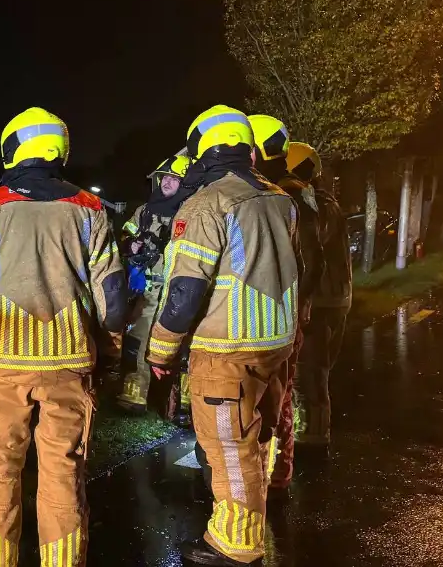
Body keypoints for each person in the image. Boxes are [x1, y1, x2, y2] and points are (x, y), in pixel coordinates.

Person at [0, 107, 127, 567]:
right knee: (64, 477)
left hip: (0, 368)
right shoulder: (90, 209)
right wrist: (110, 355)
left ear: (13, 149)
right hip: (68, 366)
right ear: (59, 149)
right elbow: (114, 301)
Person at [147, 105, 299, 566]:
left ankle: (235, 544)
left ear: (201, 149)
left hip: (226, 347)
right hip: (276, 340)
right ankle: (255, 517)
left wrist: (161, 351)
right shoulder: (280, 198)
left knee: (230, 450)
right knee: (260, 435)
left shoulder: (207, 204)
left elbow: (185, 292)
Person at [248, 114, 320, 497]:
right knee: (276, 397)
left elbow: (310, 263)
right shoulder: (287, 197)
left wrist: (291, 307)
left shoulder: (283, 199)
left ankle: (273, 476)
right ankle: (272, 473)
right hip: (280, 320)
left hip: (276, 323)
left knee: (277, 400)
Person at [118, 154, 194, 425]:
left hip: (179, 291)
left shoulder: (192, 212)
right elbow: (125, 235)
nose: (167, 183)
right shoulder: (144, 211)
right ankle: (134, 396)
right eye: (165, 178)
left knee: (181, 345)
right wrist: (131, 246)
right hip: (148, 288)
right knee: (138, 339)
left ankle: (184, 403)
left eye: (174, 179)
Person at [287, 142, 351, 456]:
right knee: (314, 369)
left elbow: (307, 250)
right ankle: (310, 430)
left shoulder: (314, 205)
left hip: (319, 300)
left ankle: (311, 439)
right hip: (332, 298)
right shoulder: (323, 202)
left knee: (309, 372)